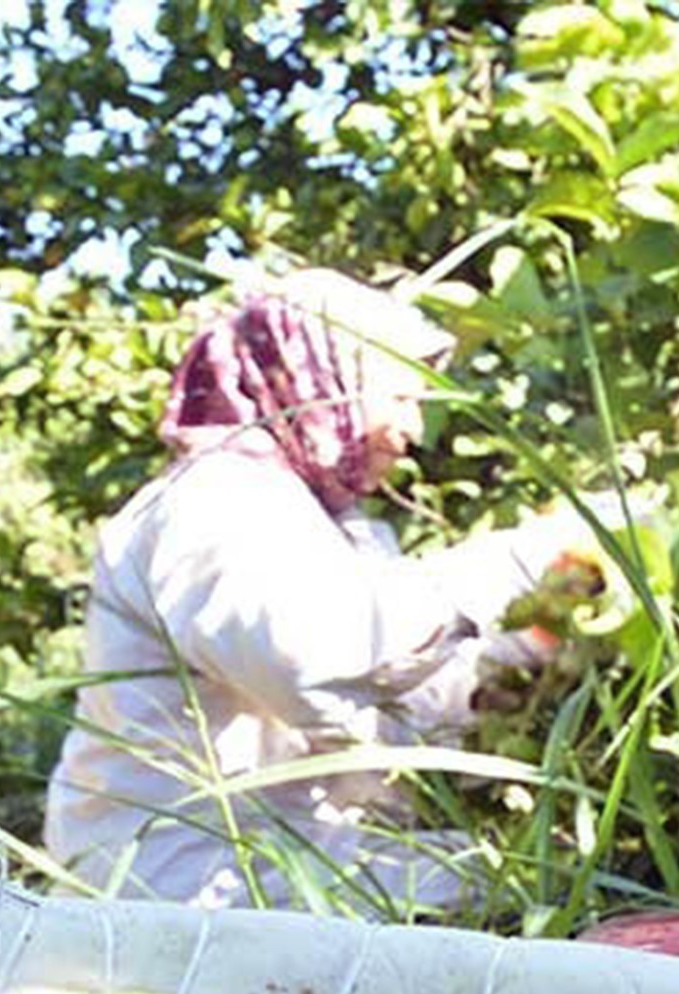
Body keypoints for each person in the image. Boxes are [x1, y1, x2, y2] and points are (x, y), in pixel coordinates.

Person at [42, 271, 601, 915]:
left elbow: (401, 700)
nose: (411, 431)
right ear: (321, 377)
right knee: (506, 887)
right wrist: (529, 557)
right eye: (398, 398)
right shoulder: (214, 502)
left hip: (272, 860)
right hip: (177, 884)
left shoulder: (319, 520)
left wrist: (538, 640)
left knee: (514, 874)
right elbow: (326, 660)